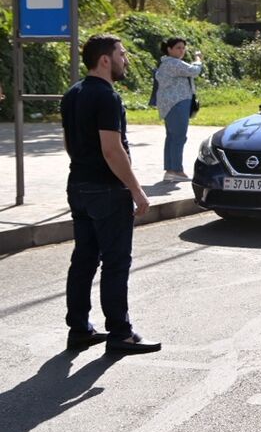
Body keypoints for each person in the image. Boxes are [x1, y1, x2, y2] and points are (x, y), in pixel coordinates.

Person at [61, 34, 160, 356]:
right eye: (121, 53)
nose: (126, 59)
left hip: (78, 185)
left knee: (83, 260)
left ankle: (79, 330)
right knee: (115, 263)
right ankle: (121, 333)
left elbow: (69, 144)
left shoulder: (72, 94)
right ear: (105, 59)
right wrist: (137, 191)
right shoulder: (107, 97)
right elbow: (112, 150)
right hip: (106, 190)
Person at [154, 37, 203, 182]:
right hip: (177, 103)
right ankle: (176, 170)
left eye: (183, 48)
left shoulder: (167, 63)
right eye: (178, 48)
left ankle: (170, 170)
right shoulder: (173, 63)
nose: (181, 51)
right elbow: (194, 71)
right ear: (169, 49)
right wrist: (198, 60)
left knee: (172, 137)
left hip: (171, 104)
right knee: (179, 137)